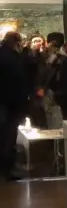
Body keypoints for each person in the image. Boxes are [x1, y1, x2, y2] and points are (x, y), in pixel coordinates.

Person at [0, 31, 30, 180]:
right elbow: (18, 80)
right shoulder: (12, 58)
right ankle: (7, 170)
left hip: (5, 101)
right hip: (11, 102)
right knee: (8, 136)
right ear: (17, 43)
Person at [35, 31, 65, 128]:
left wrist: (43, 88)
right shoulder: (58, 56)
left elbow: (48, 73)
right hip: (53, 90)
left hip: (51, 90)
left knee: (53, 116)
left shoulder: (58, 57)